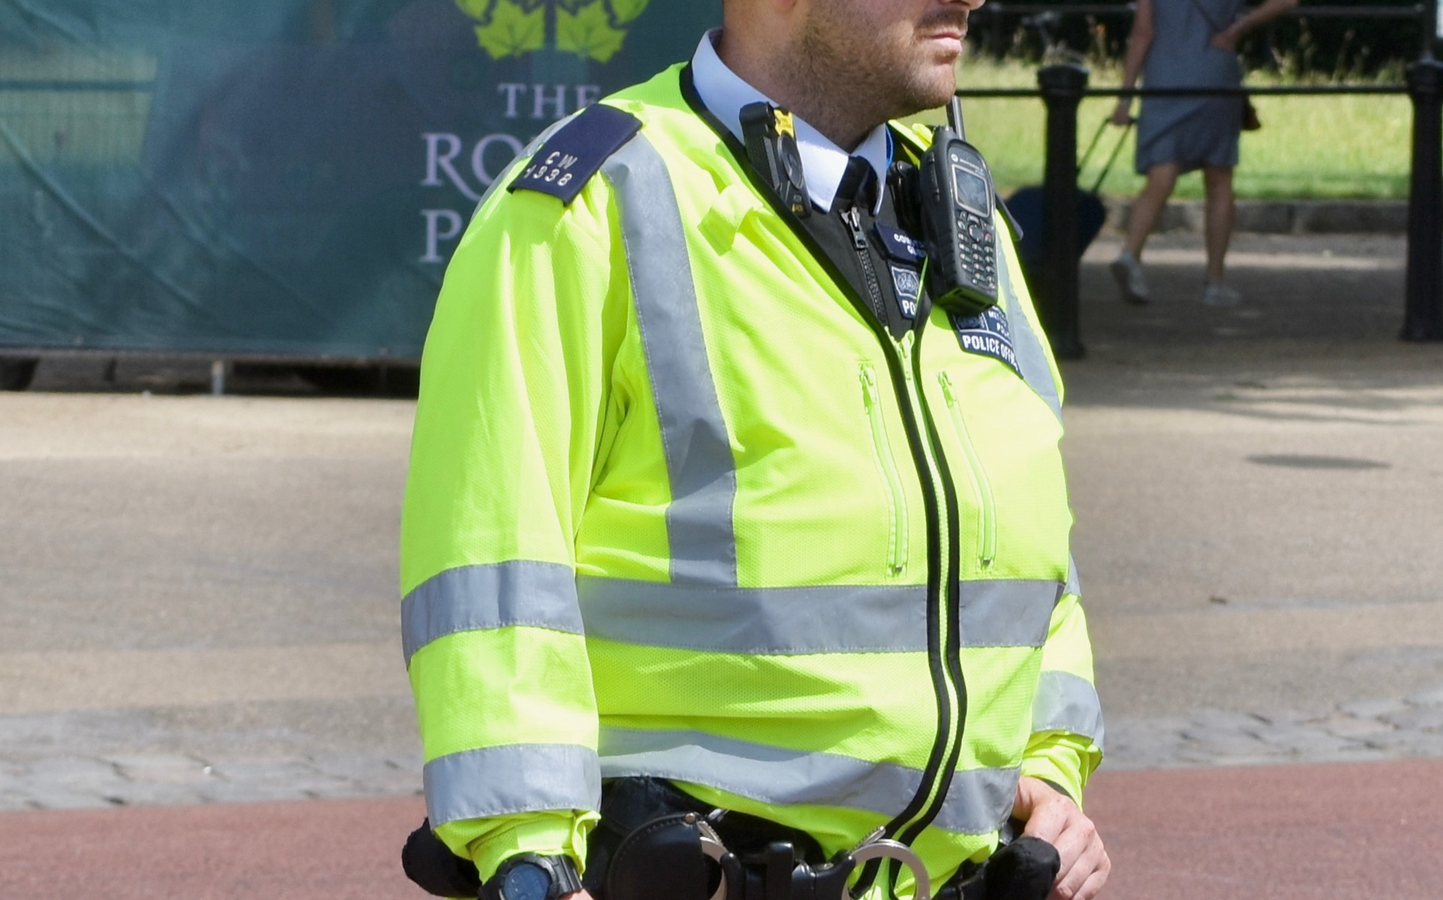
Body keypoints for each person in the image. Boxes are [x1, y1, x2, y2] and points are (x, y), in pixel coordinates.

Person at [399, 2, 1108, 900]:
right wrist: (529, 858)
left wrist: (1051, 768)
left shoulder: (967, 219)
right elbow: (490, 567)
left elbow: (1035, 555)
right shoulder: (592, 201)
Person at [1108, 0, 1298, 306]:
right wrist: (1239, 27)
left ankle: (1131, 252)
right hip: (1215, 73)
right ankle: (1215, 281)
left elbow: (1143, 32)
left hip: (1164, 77)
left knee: (1162, 172)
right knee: (1219, 176)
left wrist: (1125, 98)